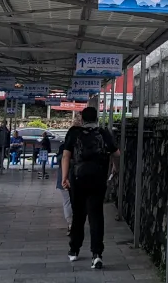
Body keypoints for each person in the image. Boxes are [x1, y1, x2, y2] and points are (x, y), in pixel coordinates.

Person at [61, 106, 119, 269]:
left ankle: (74, 250)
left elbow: (66, 155)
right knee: (96, 216)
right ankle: (97, 254)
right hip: (98, 179)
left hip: (77, 179)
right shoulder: (103, 132)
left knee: (78, 215)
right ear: (96, 118)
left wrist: (64, 177)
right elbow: (117, 153)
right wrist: (116, 168)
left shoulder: (74, 132)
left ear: (82, 118)